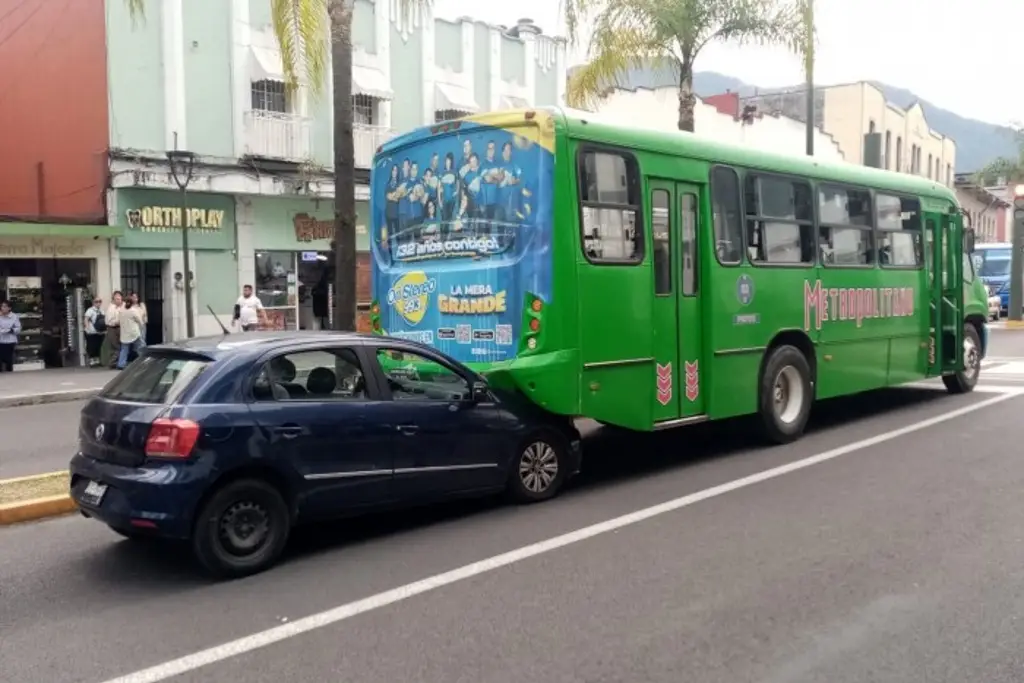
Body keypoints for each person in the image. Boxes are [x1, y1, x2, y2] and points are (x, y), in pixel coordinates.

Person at [116, 297, 145, 370]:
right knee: (140, 347)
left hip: (124, 333)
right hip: (134, 333)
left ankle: (121, 364)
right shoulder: (133, 311)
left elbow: (119, 321)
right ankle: (145, 361)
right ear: (132, 303)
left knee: (124, 349)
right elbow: (140, 321)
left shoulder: (121, 311)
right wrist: (142, 326)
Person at [83, 296, 105, 367]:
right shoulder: (90, 310)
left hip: (100, 332)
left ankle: (97, 360)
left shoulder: (102, 310)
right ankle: (92, 361)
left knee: (98, 346)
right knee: (92, 346)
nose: (98, 303)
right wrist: (87, 328)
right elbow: (86, 319)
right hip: (91, 332)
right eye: (96, 301)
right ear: (93, 302)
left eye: (99, 301)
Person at [103, 291, 123, 368]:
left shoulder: (121, 308)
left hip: (119, 328)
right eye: (117, 299)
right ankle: (112, 362)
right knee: (116, 346)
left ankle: (116, 362)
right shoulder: (111, 308)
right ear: (113, 299)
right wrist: (116, 322)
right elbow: (108, 321)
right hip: (112, 328)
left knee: (120, 345)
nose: (119, 300)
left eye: (120, 299)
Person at [0, 300, 21, 372]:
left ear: (9, 308)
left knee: (9, 359)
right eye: (2, 306)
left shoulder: (14, 317)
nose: (3, 308)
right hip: (1, 340)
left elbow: (18, 328)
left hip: (10, 341)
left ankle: (9, 373)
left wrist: (11, 330)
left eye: (5, 306)